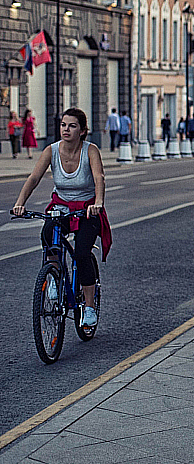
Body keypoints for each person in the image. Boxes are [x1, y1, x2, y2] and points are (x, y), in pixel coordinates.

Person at [12, 107, 110, 328]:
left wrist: (98, 203)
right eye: (64, 125)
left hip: (86, 209)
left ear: (83, 131)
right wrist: (20, 203)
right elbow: (34, 177)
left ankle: (89, 306)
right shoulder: (51, 150)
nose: (66, 129)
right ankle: (54, 276)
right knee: (48, 236)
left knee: (82, 253)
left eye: (72, 126)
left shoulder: (91, 150)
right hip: (62, 207)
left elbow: (99, 177)